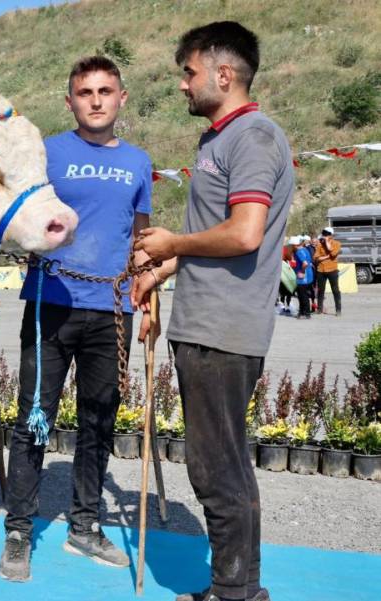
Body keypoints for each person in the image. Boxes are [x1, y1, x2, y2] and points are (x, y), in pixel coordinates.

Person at [134, 21, 291, 601]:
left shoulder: (252, 138)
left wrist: (172, 243)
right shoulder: (216, 141)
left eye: (190, 72)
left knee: (215, 469)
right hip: (206, 319)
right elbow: (212, 233)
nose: (183, 85)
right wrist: (163, 268)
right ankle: (240, 590)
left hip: (223, 329)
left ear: (224, 75)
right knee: (225, 464)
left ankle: (233, 594)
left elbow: (245, 233)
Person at [0, 55, 153, 582]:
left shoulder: (138, 162)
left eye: (105, 91)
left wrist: (147, 290)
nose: (95, 100)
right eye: (85, 92)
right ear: (70, 101)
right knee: (32, 422)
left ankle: (84, 527)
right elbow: (17, 211)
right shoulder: (47, 154)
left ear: (121, 98)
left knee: (98, 423)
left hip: (110, 311)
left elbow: (141, 237)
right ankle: (19, 531)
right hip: (50, 304)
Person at [314, 226, 341, 315]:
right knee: (321, 290)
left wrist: (326, 242)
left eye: (326, 234)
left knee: (335, 290)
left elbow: (332, 252)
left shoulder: (337, 243)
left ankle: (338, 310)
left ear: (331, 235)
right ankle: (319, 308)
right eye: (324, 234)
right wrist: (327, 257)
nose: (324, 236)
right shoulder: (319, 244)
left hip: (332, 269)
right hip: (321, 270)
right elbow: (316, 258)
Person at [291, 236, 314, 319]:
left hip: (303, 278)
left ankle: (307, 313)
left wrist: (302, 271)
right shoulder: (305, 249)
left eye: (292, 245)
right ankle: (302, 312)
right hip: (309, 276)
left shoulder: (299, 252)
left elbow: (305, 263)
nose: (291, 247)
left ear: (295, 245)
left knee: (302, 296)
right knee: (302, 295)